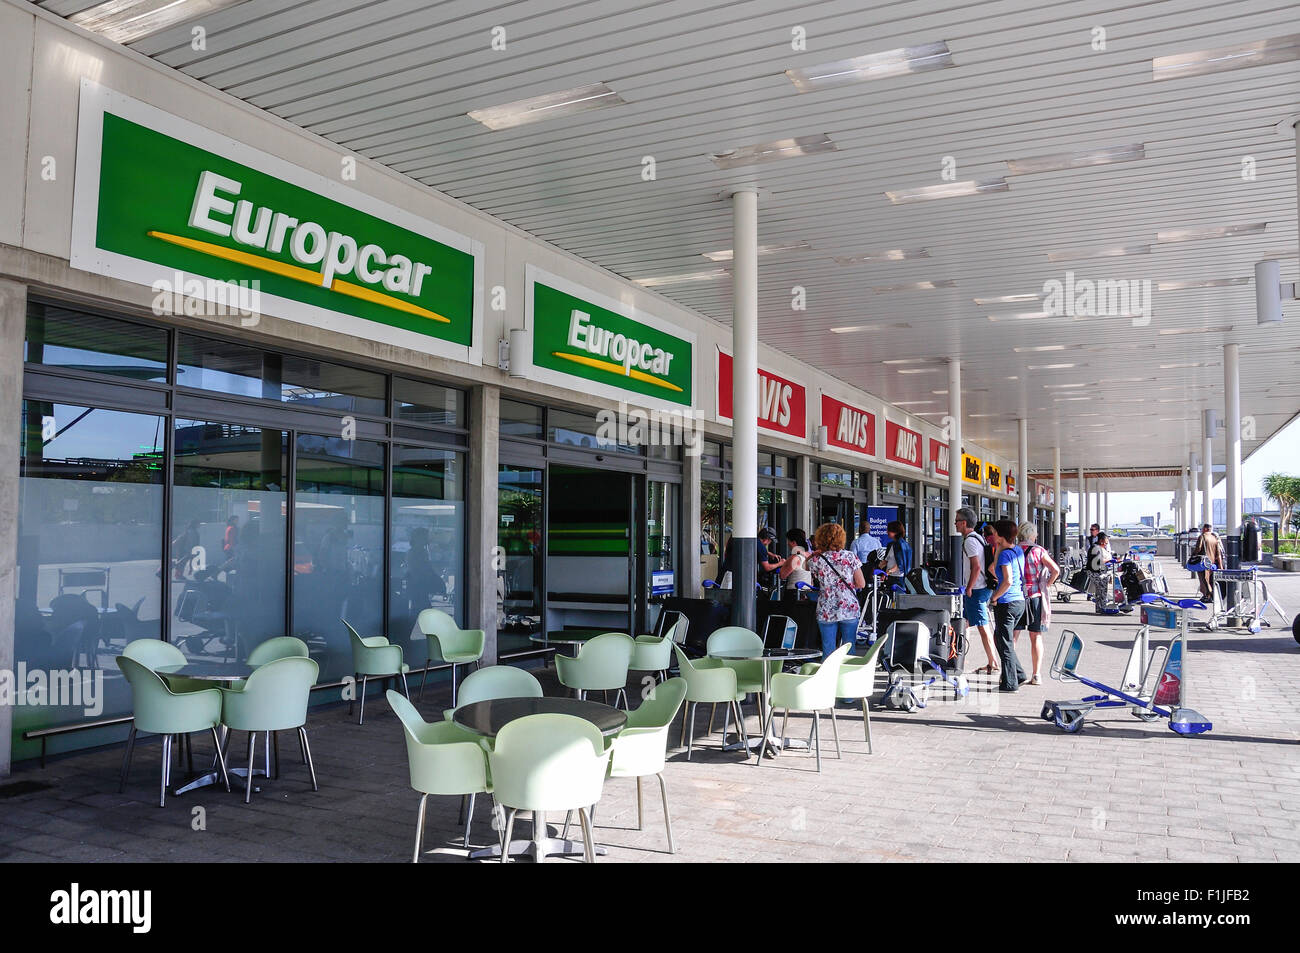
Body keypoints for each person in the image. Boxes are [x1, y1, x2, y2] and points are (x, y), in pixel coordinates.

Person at [805, 522, 865, 660]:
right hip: (848, 607)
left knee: (828, 648)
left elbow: (805, 566)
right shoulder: (850, 557)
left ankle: (829, 678)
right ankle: (848, 676)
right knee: (849, 647)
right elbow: (861, 583)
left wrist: (814, 553)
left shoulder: (816, 560)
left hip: (826, 608)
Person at [1014, 521, 1060, 685]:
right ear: (1032, 535)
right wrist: (1046, 584)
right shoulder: (1039, 551)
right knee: (1036, 636)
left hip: (1017, 597)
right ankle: (1036, 675)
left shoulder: (1013, 550)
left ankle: (1010, 671)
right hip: (1035, 597)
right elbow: (1055, 570)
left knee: (1013, 636)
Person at [956, 507, 997, 676]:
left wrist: (970, 587)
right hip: (981, 587)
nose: (955, 524)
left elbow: (976, 566)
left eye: (957, 521)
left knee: (982, 626)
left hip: (978, 589)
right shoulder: (978, 538)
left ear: (964, 523)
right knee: (964, 622)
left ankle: (993, 663)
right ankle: (957, 657)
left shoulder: (970, 541)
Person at [989, 519, 1028, 692]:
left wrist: (994, 597)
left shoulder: (1005, 555)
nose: (992, 535)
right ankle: (1018, 673)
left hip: (1007, 602)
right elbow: (993, 568)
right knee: (1003, 641)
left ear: (1000, 534)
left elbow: (1007, 581)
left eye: (995, 532)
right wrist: (998, 547)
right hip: (1019, 600)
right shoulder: (1016, 550)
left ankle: (1010, 683)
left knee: (1004, 643)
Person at [1190, 523, 1223, 602]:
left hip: (1203, 562)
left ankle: (1208, 596)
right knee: (1210, 579)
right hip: (1212, 562)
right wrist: (1220, 565)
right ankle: (1210, 595)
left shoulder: (1202, 536)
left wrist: (1193, 555)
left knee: (1204, 579)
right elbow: (1218, 554)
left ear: (1205, 529)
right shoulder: (1214, 538)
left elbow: (1198, 548)